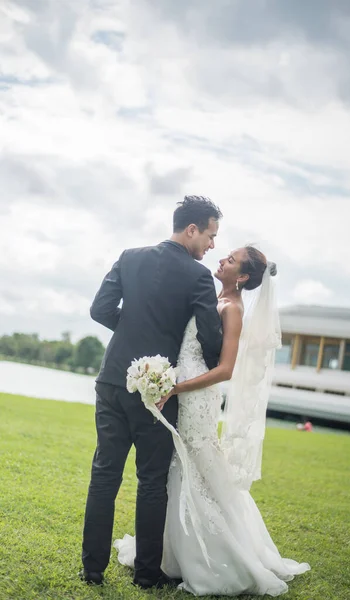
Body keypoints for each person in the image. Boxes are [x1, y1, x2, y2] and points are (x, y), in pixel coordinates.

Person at [115, 246, 311, 596]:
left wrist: (176, 387)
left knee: (199, 465)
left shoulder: (232, 309)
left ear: (243, 277)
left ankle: (218, 554)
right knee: (178, 466)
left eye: (230, 260)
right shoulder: (209, 298)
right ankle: (167, 553)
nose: (221, 259)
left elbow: (225, 369)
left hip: (197, 396)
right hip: (179, 387)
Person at [80, 196, 223, 588]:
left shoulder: (130, 256)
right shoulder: (198, 277)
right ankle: (146, 575)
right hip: (158, 393)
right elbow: (210, 335)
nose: (212, 245)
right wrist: (211, 364)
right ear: (191, 229)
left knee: (104, 476)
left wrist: (131, 332)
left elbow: (100, 309)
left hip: (112, 379)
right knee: (152, 481)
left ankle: (92, 570)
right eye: (210, 235)